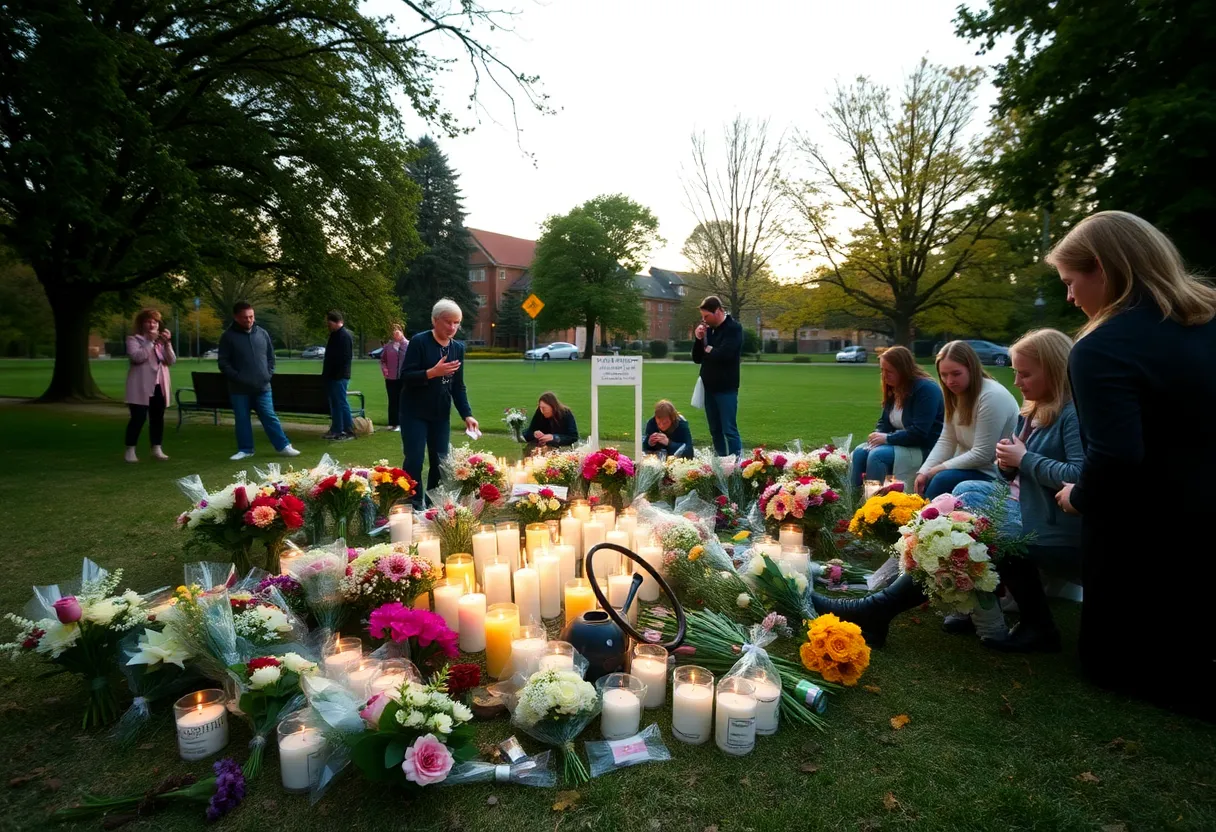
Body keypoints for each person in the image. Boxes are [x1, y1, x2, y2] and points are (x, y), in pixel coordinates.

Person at [1048, 211, 1216, 717]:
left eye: (1071, 282)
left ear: (1101, 267)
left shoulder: (1104, 347)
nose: (1070, 298)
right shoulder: (1206, 322)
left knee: (1111, 664)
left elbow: (1117, 454)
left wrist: (1078, 496)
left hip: (1149, 524)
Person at [951, 328, 1084, 650]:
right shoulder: (1036, 410)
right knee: (962, 494)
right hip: (1034, 509)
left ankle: (1036, 625)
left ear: (1053, 370)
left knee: (992, 537)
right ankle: (977, 599)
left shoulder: (1072, 414)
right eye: (1015, 373)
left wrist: (1024, 459)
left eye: (1024, 374)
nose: (1017, 382)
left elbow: (1080, 476)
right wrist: (1007, 464)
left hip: (1059, 525)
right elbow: (1012, 472)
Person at [399, 298, 479, 506]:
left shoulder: (457, 348)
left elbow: (458, 386)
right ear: (435, 320)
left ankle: (433, 505)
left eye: (457, 322)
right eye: (448, 322)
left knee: (440, 463)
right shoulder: (420, 341)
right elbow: (406, 376)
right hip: (414, 412)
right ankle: (413, 505)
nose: (452, 327)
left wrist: (467, 414)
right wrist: (432, 373)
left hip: (440, 414)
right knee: (415, 460)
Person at [914, 340, 1019, 499]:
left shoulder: (991, 396)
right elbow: (947, 440)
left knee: (941, 479)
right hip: (971, 467)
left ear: (972, 369)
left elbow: (983, 453)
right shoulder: (956, 395)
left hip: (997, 473)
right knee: (929, 479)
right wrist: (924, 471)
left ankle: (923, 520)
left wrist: (937, 469)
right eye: (944, 375)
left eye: (956, 374)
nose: (949, 381)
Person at [217, 302, 300, 461]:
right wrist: (237, 377)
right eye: (245, 317)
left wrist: (268, 374)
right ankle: (246, 449)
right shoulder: (228, 337)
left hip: (263, 386)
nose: (249, 320)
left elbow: (271, 357)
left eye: (251, 317)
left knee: (269, 416)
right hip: (239, 388)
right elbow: (223, 363)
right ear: (236, 317)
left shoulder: (262, 333)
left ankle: (283, 446)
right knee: (242, 419)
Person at [851, 346, 944, 488]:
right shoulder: (894, 387)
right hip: (900, 443)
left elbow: (920, 432)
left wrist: (887, 438)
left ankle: (875, 503)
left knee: (878, 456)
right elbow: (884, 422)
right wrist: (877, 435)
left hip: (924, 447)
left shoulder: (926, 389)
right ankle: (854, 500)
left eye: (889, 371)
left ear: (903, 371)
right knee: (859, 452)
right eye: (882, 370)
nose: (884, 375)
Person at [692, 295, 743, 457]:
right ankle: (720, 463)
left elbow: (726, 355)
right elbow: (697, 358)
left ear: (719, 311)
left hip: (726, 388)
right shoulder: (708, 331)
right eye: (702, 317)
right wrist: (699, 340)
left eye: (706, 316)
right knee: (715, 430)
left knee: (729, 429)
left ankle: (737, 466)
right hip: (709, 388)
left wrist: (709, 349)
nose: (704, 320)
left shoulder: (733, 328)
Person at [124, 308, 176, 463]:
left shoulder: (160, 343)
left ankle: (156, 448)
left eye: (155, 321)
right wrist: (148, 342)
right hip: (140, 386)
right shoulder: (133, 340)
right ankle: (130, 450)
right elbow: (137, 357)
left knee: (157, 418)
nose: (152, 324)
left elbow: (171, 360)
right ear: (141, 324)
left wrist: (167, 344)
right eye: (148, 321)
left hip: (159, 385)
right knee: (138, 418)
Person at [321, 309, 355, 441]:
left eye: (329, 323)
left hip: (339, 376)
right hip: (333, 375)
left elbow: (345, 358)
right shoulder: (335, 335)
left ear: (335, 322)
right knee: (335, 403)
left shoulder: (344, 336)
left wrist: (336, 374)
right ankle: (337, 429)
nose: (328, 326)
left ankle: (347, 429)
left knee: (340, 402)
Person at [380, 323, 408, 432]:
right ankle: (392, 423)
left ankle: (402, 423)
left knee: (403, 400)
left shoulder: (408, 345)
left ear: (401, 332)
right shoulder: (388, 346)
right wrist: (385, 369)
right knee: (392, 400)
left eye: (397, 333)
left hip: (404, 378)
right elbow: (383, 360)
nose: (395, 336)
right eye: (393, 334)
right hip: (390, 377)